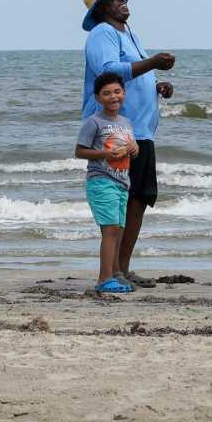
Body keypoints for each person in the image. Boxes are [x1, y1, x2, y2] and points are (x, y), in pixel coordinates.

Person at [79, 0, 175, 287]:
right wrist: (153, 63)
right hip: (116, 130)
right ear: (101, 8)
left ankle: (123, 268)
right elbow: (108, 70)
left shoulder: (129, 34)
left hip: (141, 132)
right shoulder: (101, 33)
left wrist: (155, 85)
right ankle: (112, 273)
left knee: (139, 199)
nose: (123, 1)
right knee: (121, 199)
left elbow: (131, 75)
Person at [75, 70, 137, 295]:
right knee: (109, 230)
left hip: (122, 183)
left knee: (119, 230)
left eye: (117, 92)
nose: (113, 97)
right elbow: (79, 151)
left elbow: (133, 148)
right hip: (101, 181)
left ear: (124, 93)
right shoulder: (94, 122)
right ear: (97, 98)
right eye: (107, 93)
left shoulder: (126, 123)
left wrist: (134, 148)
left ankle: (113, 275)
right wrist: (105, 154)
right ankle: (104, 279)